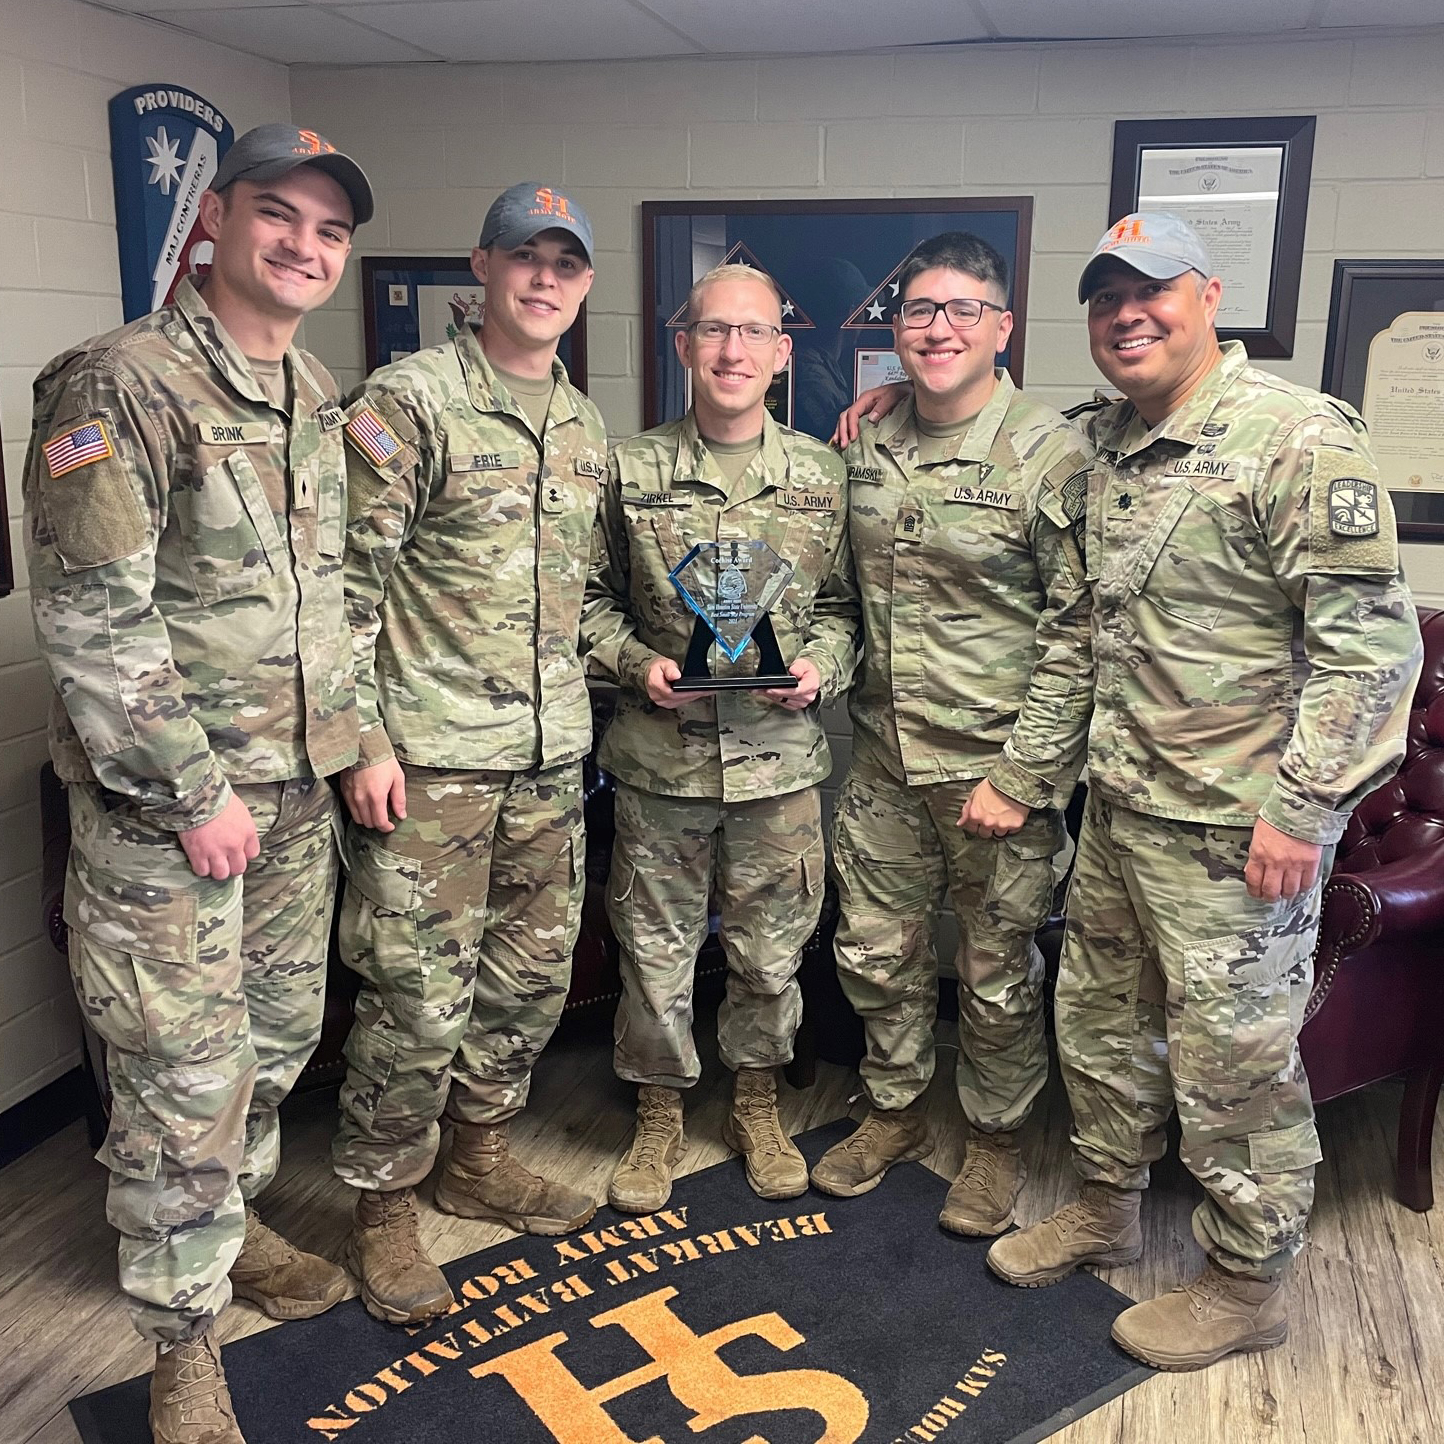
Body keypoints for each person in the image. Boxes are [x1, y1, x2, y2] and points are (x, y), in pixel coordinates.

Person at [843, 211, 1423, 1369]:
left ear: (1209, 296)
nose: (1127, 314)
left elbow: (1369, 648)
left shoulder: (1296, 437)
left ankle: (1245, 1277)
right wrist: (882, 409)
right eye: (1106, 297)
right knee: (1098, 1030)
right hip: (1112, 807)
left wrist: (1302, 808)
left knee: (1233, 1063)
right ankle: (1107, 1204)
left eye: (1151, 290)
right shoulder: (1100, 444)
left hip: (1235, 829)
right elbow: (1069, 626)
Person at [25, 125, 373, 1444]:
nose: (303, 246)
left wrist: (341, 757)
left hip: (289, 805)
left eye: (329, 230)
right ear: (214, 221)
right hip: (177, 822)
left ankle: (244, 1235)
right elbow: (94, 615)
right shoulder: (118, 385)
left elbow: (323, 601)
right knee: (179, 1079)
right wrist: (192, 793)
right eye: (278, 216)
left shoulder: (311, 391)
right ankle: (182, 1345)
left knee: (274, 1052)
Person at [332, 182, 608, 1326]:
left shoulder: (582, 424)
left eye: (565, 263)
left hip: (548, 759)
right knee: (412, 997)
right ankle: (383, 1207)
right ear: (481, 267)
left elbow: (580, 597)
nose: (545, 278)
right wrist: (359, 739)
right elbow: (340, 589)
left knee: (530, 979)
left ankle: (476, 1156)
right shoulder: (408, 403)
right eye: (524, 257)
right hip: (430, 765)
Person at [806, 233, 1092, 1239]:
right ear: (896, 330)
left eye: (962, 310)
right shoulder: (866, 442)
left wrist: (1020, 777)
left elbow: (1079, 631)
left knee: (995, 970)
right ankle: (891, 1111)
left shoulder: (1049, 452)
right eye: (920, 310)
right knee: (875, 953)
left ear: (1002, 328)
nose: (938, 329)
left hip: (995, 773)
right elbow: (843, 595)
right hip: (886, 761)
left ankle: (996, 1142)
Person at [580, 262, 859, 1211]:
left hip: (778, 765)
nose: (732, 351)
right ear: (683, 343)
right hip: (662, 760)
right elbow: (586, 602)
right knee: (652, 945)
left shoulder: (824, 476)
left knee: (772, 949)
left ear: (782, 354)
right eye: (713, 331)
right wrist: (631, 663)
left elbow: (848, 610)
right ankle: (658, 1108)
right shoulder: (629, 470)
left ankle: (754, 1101)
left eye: (753, 333)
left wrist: (824, 665)